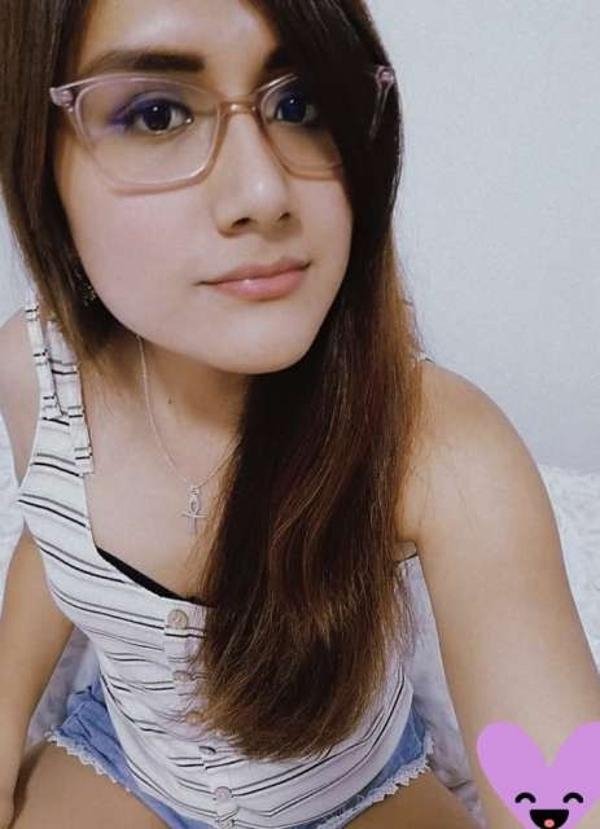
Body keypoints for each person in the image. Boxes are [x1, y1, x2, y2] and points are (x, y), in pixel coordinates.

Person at [0, 1, 598, 828]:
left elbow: (561, 782)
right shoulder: (40, 375)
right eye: (157, 113)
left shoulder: (441, 450)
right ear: (39, 162)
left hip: (355, 789)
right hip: (126, 761)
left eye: (300, 103)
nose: (263, 192)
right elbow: (54, 531)